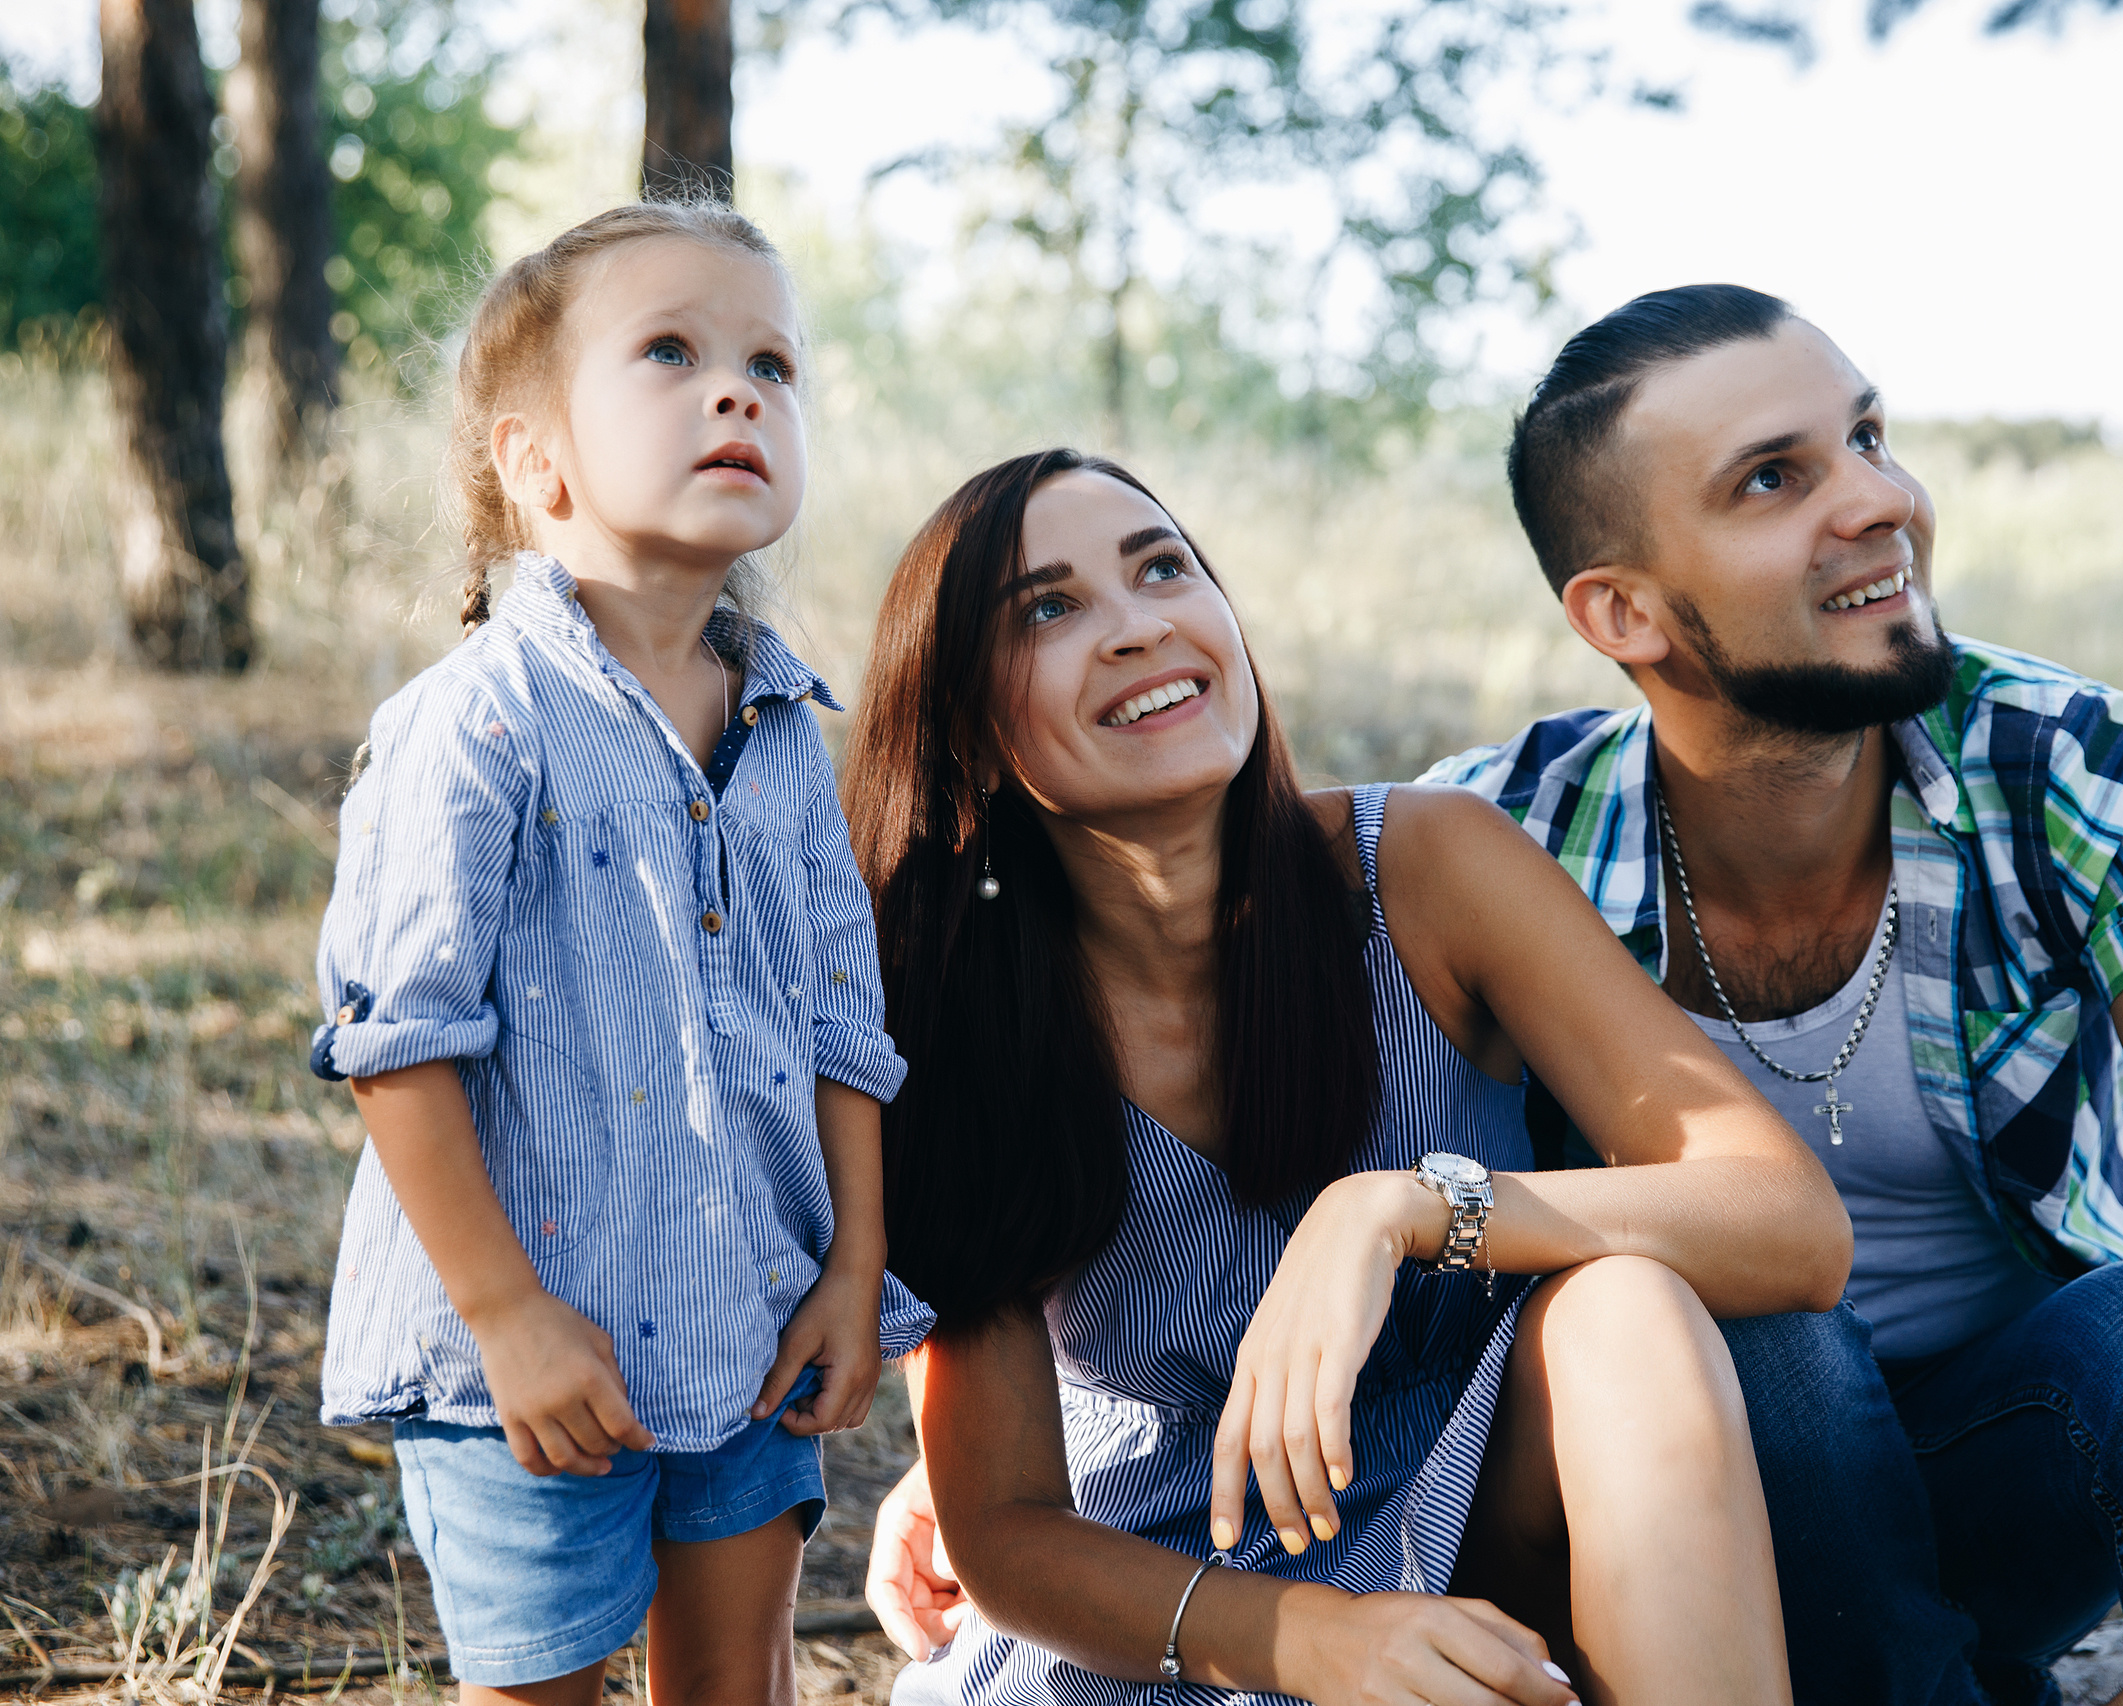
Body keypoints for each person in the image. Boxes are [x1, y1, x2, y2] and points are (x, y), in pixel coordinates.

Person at [1421, 284, 2123, 1701]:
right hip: (1695, 1529)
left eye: (1869, 436)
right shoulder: (1495, 840)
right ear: (1624, 611)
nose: (1880, 501)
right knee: (1742, 1316)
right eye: (1776, 478)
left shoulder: (2066, 760)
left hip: (2020, 1459)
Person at [843, 447, 1853, 1706]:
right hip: (1162, 1599)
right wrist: (1310, 1637)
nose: (1138, 624)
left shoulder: (1426, 868)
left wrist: (1403, 1207)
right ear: (966, 730)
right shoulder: (951, 1013)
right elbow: (1000, 1528)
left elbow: (1787, 1218)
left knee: (1624, 1309)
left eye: (1163, 567)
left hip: (1476, 1508)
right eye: (1048, 608)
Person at [307, 201, 926, 1706]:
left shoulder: (785, 738)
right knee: (543, 1690)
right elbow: (398, 1040)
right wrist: (508, 1314)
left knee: (741, 1680)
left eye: (772, 364)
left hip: (753, 1325)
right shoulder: (477, 724)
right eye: (673, 352)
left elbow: (847, 1024)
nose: (741, 391)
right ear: (537, 462)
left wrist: (854, 1264)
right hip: (527, 1351)